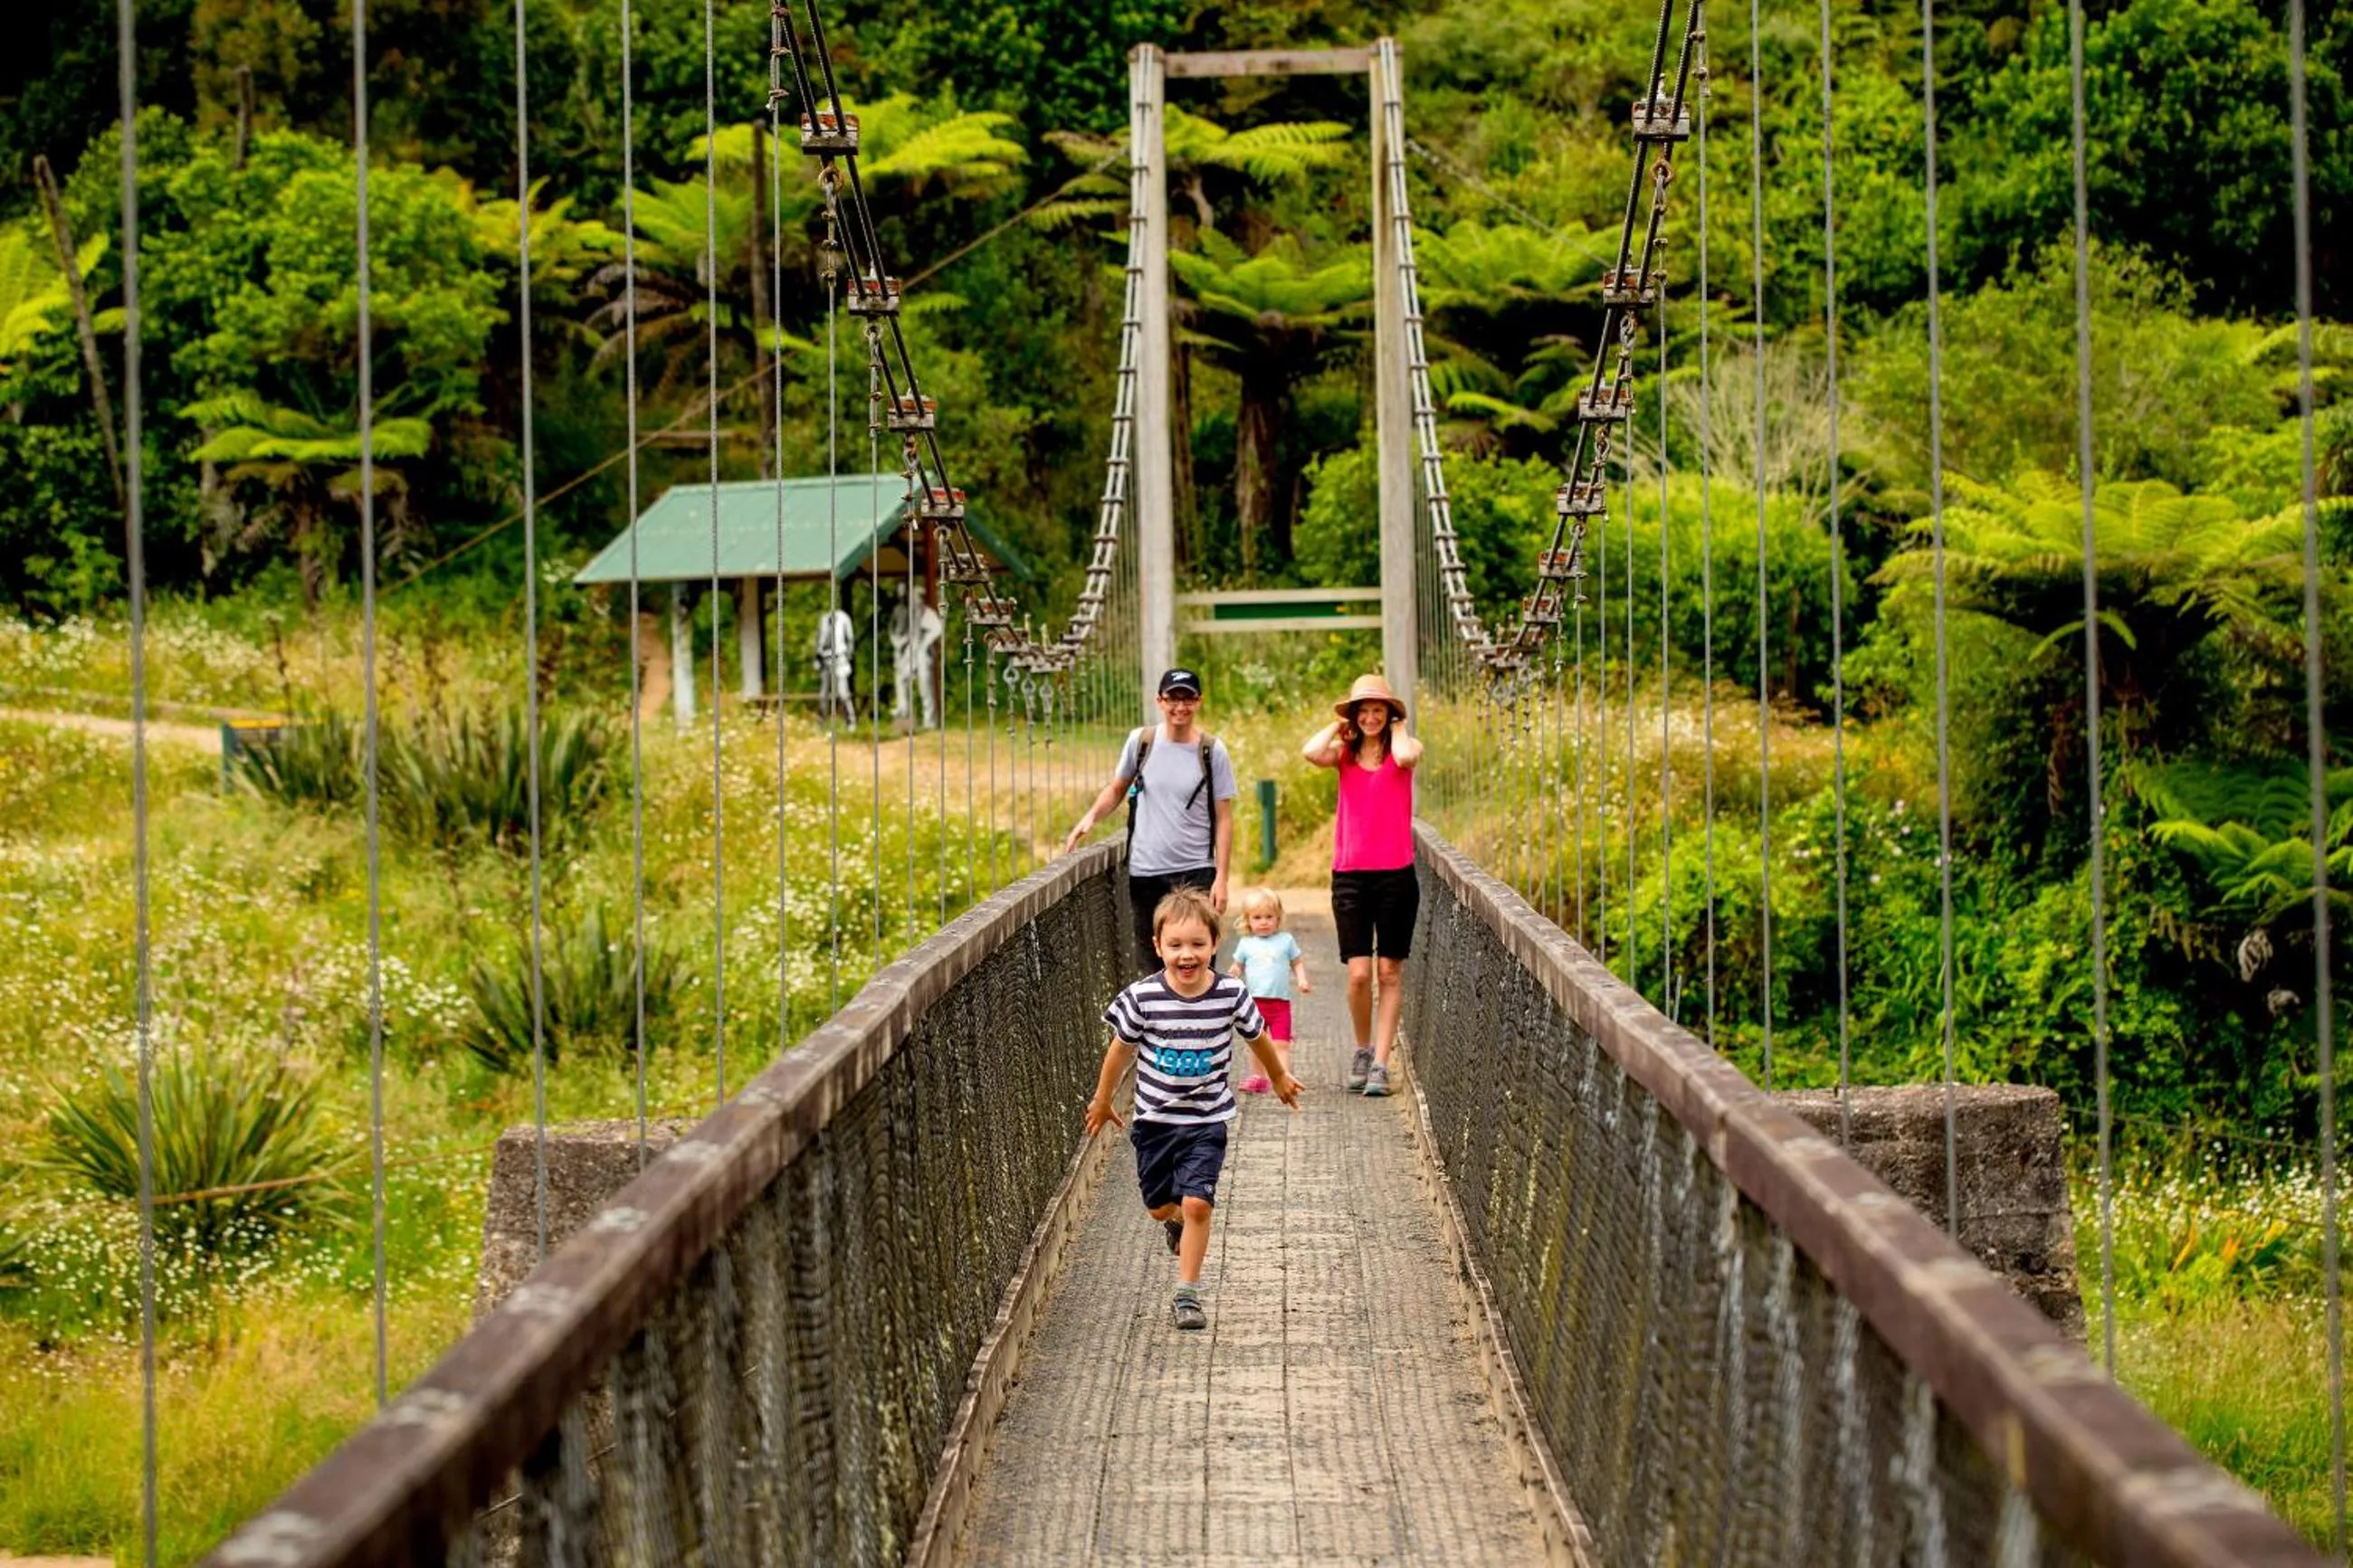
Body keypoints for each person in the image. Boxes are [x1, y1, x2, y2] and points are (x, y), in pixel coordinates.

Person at [1084, 888, 1300, 1330]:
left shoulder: (1230, 994)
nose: (1188, 954)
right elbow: (1119, 1052)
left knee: (1199, 1203)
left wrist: (1277, 1075)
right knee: (1158, 1205)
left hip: (1206, 1120)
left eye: (1198, 945)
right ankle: (1173, 1221)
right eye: (1176, 945)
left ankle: (1188, 1294)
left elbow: (1256, 1036)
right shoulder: (1142, 998)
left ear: (1215, 945)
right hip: (1155, 1122)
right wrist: (1102, 1100)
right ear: (1157, 946)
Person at [1061, 668, 1238, 974]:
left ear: (1199, 702)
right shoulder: (1141, 742)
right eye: (1173, 699)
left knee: (1198, 958)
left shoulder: (1212, 751)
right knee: (1152, 962)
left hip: (1195, 868)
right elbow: (1117, 788)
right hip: (1146, 871)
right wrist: (1090, 817)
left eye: (1188, 699)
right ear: (1160, 700)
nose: (1180, 707)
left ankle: (1200, 1021)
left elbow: (1224, 817)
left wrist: (1222, 877)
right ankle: (1163, 1023)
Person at [1300, 673, 1423, 1098]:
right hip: (1351, 876)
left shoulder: (1404, 750)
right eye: (1364, 710)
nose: (1371, 717)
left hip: (1396, 877)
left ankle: (1383, 1066)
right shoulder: (1344, 756)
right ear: (1355, 716)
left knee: (1389, 972)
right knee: (1358, 974)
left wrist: (1398, 726)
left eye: (1378, 709)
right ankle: (1362, 1049)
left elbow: (1406, 757)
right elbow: (1309, 751)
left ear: (1389, 714)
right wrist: (1339, 726)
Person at [1228, 887, 1310, 1095]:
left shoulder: (1286, 940)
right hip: (1254, 1004)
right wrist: (1234, 972)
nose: (1264, 922)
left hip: (1280, 1004)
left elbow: (1297, 962)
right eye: (1257, 917)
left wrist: (1302, 979)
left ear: (1278, 918)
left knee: (1281, 1044)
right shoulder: (1246, 943)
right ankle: (1258, 1077)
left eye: (1269, 917)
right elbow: (1239, 965)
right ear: (1247, 920)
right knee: (1257, 1043)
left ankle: (1284, 1077)